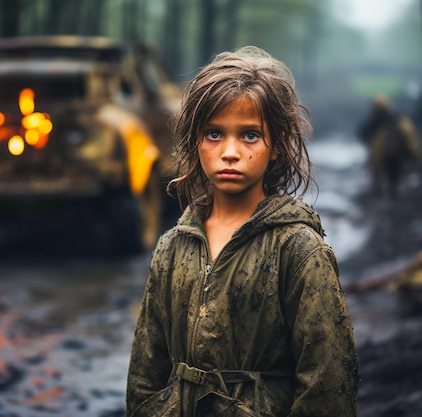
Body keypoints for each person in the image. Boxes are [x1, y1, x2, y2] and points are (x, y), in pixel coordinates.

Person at [126, 46, 358, 417]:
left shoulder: (298, 250)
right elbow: (145, 372)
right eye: (214, 134)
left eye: (249, 135)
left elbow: (327, 384)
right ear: (194, 140)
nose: (230, 152)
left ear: (278, 144)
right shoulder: (172, 246)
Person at [358, 94, 421, 197]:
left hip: (394, 158)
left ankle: (390, 197)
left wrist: (414, 155)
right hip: (384, 160)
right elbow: (363, 135)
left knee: (392, 181)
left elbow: (410, 140)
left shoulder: (396, 123)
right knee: (389, 183)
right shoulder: (379, 124)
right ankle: (389, 196)